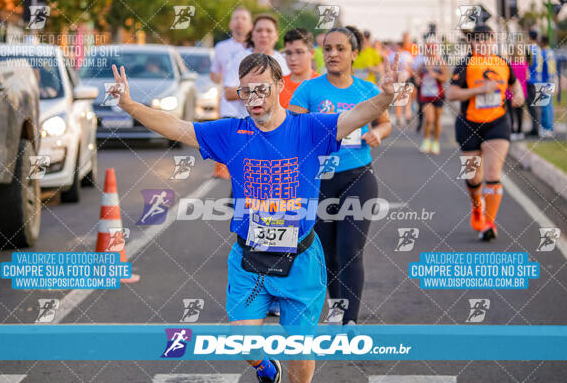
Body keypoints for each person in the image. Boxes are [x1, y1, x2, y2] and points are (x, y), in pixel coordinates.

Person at [108, 52, 400, 382]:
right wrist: (130, 106)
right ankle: (265, 368)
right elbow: (177, 128)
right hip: (249, 260)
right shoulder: (230, 133)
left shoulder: (309, 128)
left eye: (261, 89)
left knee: (300, 359)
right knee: (245, 346)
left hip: (301, 261)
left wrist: (386, 96)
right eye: (246, 91)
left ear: (279, 86)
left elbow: (355, 116)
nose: (254, 99)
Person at [289, 25, 392, 326]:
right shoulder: (308, 89)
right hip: (318, 181)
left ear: (354, 54)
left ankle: (350, 321)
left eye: (340, 49)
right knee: (327, 254)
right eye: (328, 48)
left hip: (357, 176)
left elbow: (385, 123)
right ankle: (336, 311)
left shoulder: (367, 90)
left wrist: (376, 133)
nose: (332, 54)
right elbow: (294, 130)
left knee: (350, 249)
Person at [447, 25, 524, 241]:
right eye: (477, 41)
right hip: (468, 125)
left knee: (492, 175)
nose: (482, 44)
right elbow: (451, 93)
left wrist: (518, 96)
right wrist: (478, 90)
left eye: (486, 40)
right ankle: (477, 206)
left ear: (493, 41)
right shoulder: (465, 65)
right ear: (472, 43)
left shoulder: (501, 62)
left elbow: (515, 85)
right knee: (473, 178)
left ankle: (489, 223)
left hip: (497, 124)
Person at [210, 7, 252, 178]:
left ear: (250, 24)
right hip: (228, 104)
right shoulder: (221, 47)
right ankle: (223, 172)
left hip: (250, 106)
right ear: (230, 23)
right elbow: (213, 74)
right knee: (227, 142)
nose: (239, 22)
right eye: (236, 18)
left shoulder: (255, 48)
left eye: (243, 18)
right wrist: (228, 79)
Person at [223, 14, 290, 119]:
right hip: (247, 121)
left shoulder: (284, 60)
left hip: (278, 123)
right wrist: (262, 89)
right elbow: (228, 93)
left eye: (269, 31)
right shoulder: (240, 57)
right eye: (259, 30)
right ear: (252, 35)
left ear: (276, 35)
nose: (263, 35)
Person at [415, 39, 448, 154]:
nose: (430, 51)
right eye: (428, 49)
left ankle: (436, 142)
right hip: (425, 95)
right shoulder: (423, 64)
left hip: (438, 95)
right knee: (429, 119)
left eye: (432, 49)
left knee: (437, 121)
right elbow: (417, 77)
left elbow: (445, 78)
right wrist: (418, 81)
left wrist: (435, 75)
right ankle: (426, 140)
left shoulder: (441, 63)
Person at [279, 28, 319, 108]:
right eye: (288, 53)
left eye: (299, 52)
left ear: (311, 53)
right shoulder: (278, 86)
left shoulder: (322, 84)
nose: (293, 58)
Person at [506, 43, 528, 140]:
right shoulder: (524, 64)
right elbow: (527, 77)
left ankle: (512, 131)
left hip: (510, 93)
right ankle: (520, 131)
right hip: (522, 92)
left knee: (511, 113)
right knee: (520, 113)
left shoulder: (510, 65)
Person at [389, 41, 414, 127]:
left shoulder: (406, 55)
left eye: (396, 46)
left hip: (406, 77)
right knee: (398, 98)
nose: (395, 47)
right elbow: (390, 68)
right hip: (398, 78)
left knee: (407, 97)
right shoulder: (392, 55)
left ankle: (407, 115)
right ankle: (399, 117)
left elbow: (411, 68)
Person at [525, 30, 543, 137]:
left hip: (531, 80)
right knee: (538, 105)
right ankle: (537, 128)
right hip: (539, 79)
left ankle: (535, 129)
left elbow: (526, 63)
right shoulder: (539, 48)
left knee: (532, 106)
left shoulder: (529, 49)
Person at [539, 35, 556, 138]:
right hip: (551, 80)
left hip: (544, 81)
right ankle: (550, 127)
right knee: (549, 105)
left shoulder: (542, 53)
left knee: (544, 105)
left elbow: (540, 68)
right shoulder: (551, 52)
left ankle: (547, 128)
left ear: (542, 42)